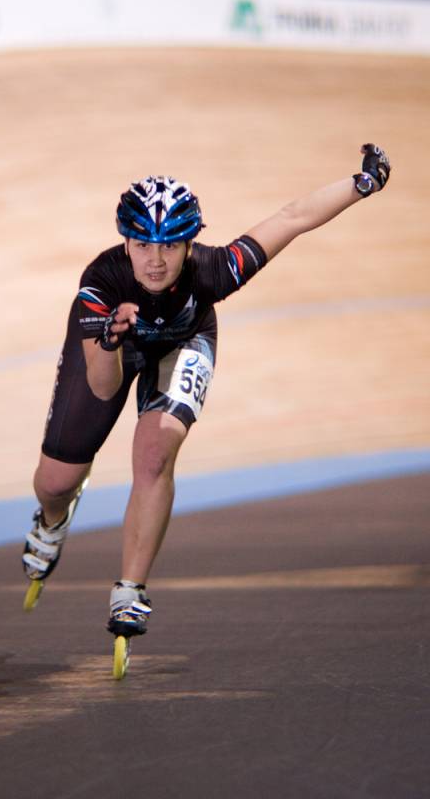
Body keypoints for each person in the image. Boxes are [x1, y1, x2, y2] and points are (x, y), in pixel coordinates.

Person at [22, 143, 391, 637]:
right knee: (55, 482)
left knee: (154, 455)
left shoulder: (213, 271)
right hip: (111, 347)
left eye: (170, 246)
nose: (156, 261)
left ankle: (131, 588)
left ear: (190, 244)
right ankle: (52, 519)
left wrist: (360, 184)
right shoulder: (100, 285)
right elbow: (102, 385)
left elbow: (292, 218)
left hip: (183, 340)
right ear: (126, 242)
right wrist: (109, 336)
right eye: (144, 245)